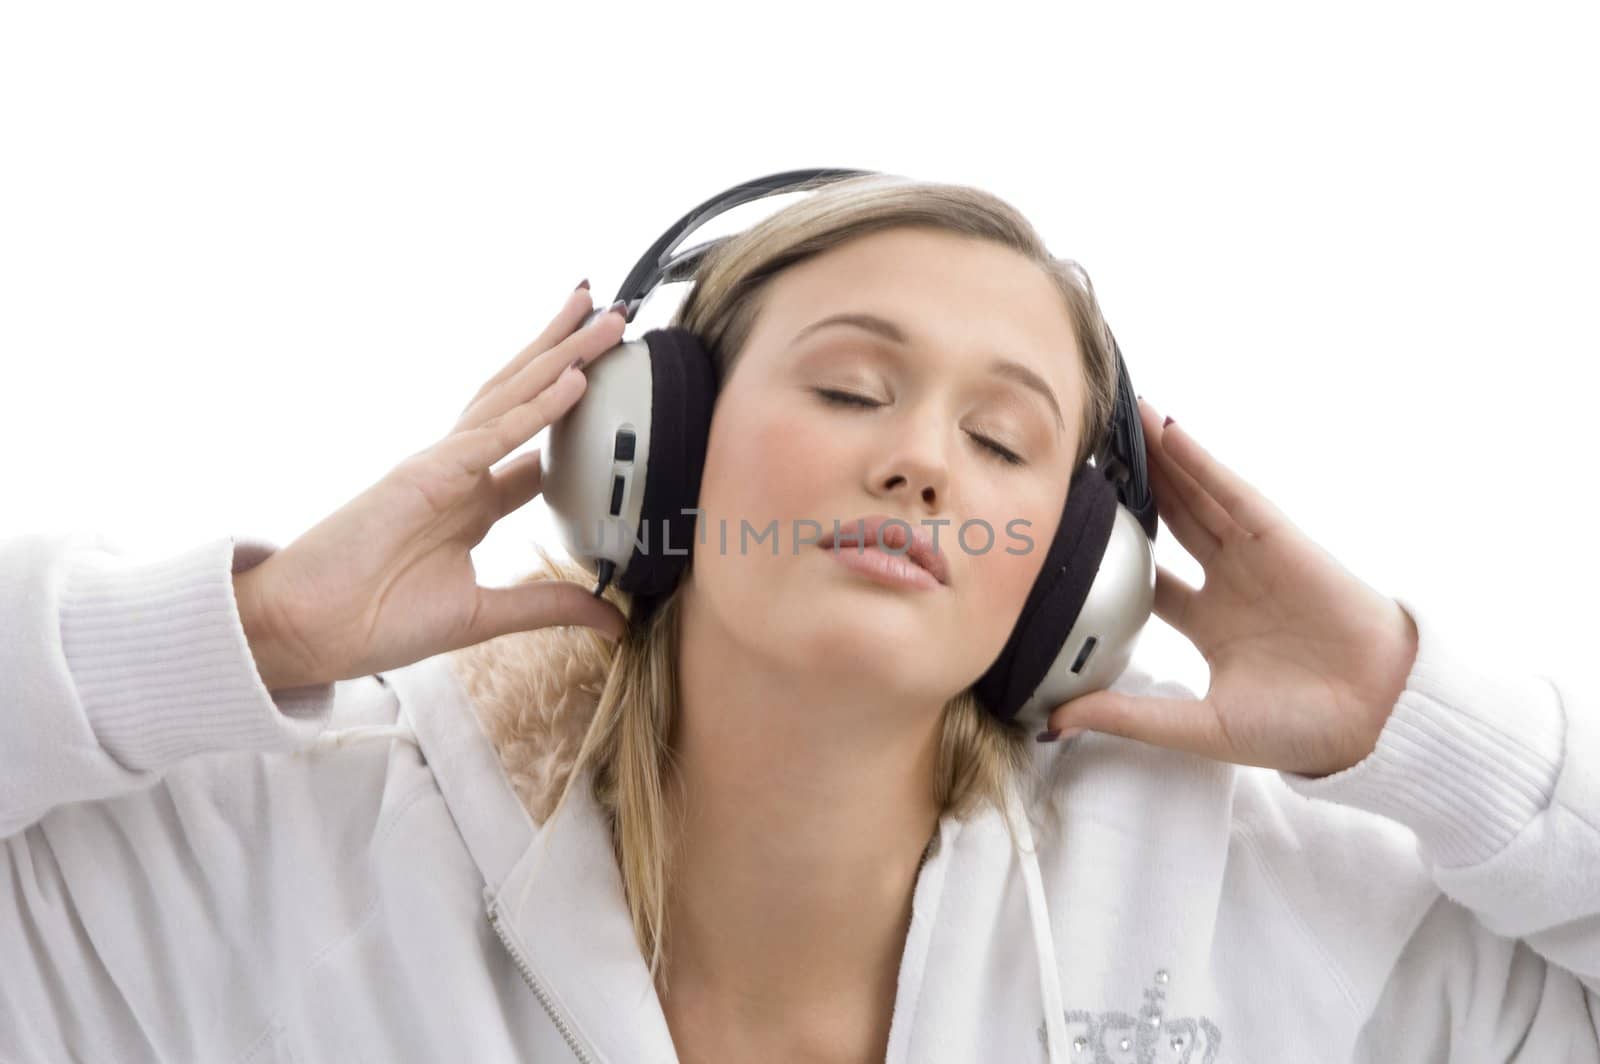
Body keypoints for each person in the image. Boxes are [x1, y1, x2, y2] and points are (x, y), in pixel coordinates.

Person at [2, 176, 1595, 1063]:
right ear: (650, 451)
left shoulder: (1258, 921)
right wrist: (259, 630)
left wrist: (1415, 719)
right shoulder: (264, 876)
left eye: (1003, 440)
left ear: (1070, 580)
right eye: (848, 387)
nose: (917, 459)